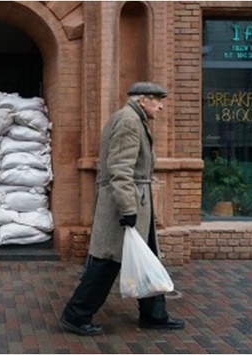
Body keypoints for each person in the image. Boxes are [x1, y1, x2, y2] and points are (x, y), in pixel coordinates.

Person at [60, 82, 185, 336]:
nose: (161, 106)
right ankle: (75, 315)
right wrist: (128, 209)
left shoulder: (134, 119)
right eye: (157, 100)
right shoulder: (129, 121)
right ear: (142, 100)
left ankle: (154, 315)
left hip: (137, 202)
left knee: (147, 257)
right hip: (124, 205)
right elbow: (120, 169)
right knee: (106, 263)